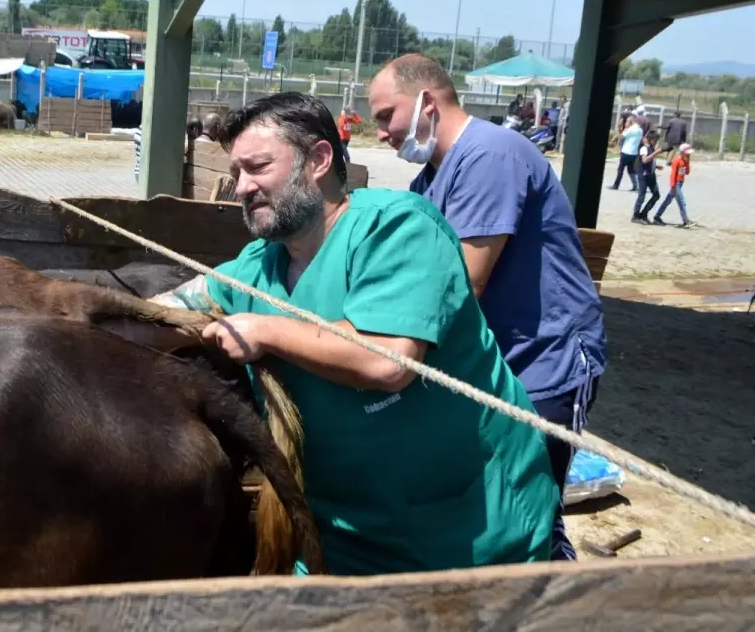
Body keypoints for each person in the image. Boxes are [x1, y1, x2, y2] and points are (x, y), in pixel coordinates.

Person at [150, 92, 557, 576]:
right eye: (236, 172)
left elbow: (387, 360)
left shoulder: (398, 229)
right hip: (341, 537)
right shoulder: (257, 268)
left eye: (257, 167)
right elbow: (168, 309)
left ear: (319, 159)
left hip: (466, 532)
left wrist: (264, 330)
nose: (241, 187)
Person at [367, 54, 606, 561]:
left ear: (427, 101)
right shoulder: (428, 179)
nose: (383, 132)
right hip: (494, 361)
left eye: (386, 115)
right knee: (493, 504)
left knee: (531, 507)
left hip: (543, 361)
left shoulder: (489, 156)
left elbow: (463, 282)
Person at [654, 144, 696, 228]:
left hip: (680, 184)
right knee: (681, 201)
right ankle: (686, 220)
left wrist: (687, 162)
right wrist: (673, 186)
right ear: (682, 152)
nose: (688, 155)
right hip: (676, 184)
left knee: (667, 201)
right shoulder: (677, 160)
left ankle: (657, 216)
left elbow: (687, 172)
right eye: (687, 154)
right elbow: (673, 174)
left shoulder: (684, 161)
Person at [631, 130, 665, 224]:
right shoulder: (644, 148)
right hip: (643, 175)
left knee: (656, 195)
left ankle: (644, 214)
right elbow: (645, 160)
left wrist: (656, 166)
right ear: (650, 139)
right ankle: (635, 215)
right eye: (655, 139)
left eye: (657, 139)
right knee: (641, 196)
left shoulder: (651, 147)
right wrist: (656, 153)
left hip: (651, 174)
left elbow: (650, 161)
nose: (656, 141)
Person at [611, 115, 643, 191]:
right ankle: (635, 185)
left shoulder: (630, 129)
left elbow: (621, 137)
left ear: (630, 122)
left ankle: (616, 185)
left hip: (626, 152)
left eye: (627, 121)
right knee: (631, 170)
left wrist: (623, 128)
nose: (626, 123)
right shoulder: (640, 130)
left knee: (620, 169)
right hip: (634, 153)